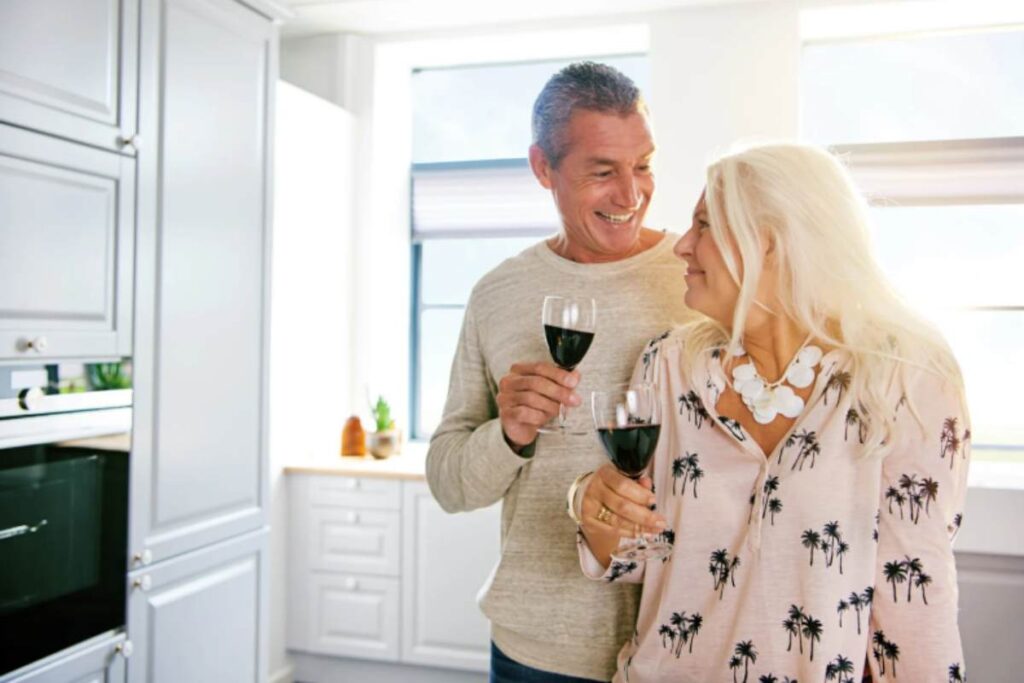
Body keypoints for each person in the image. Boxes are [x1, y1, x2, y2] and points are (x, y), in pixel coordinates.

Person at [576, 142, 971, 682]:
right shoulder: (667, 363)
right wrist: (596, 513)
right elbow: (641, 556)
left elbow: (915, 591)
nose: (682, 246)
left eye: (704, 225)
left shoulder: (903, 377)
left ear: (772, 242)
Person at [425, 62, 691, 682]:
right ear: (542, 167)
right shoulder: (498, 294)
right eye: (603, 172)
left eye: (643, 166)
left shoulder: (698, 278)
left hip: (679, 645)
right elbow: (449, 483)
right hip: (538, 652)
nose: (631, 195)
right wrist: (509, 433)